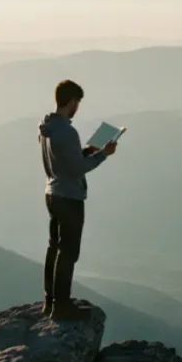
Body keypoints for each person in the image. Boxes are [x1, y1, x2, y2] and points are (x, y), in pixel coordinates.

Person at [37, 79, 117, 321]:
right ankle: (62, 306)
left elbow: (64, 161)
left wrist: (86, 151)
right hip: (70, 197)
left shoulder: (46, 127)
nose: (77, 108)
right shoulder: (67, 131)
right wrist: (104, 154)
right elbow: (77, 170)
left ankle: (50, 301)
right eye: (78, 103)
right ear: (72, 101)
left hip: (51, 193)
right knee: (69, 252)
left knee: (54, 248)